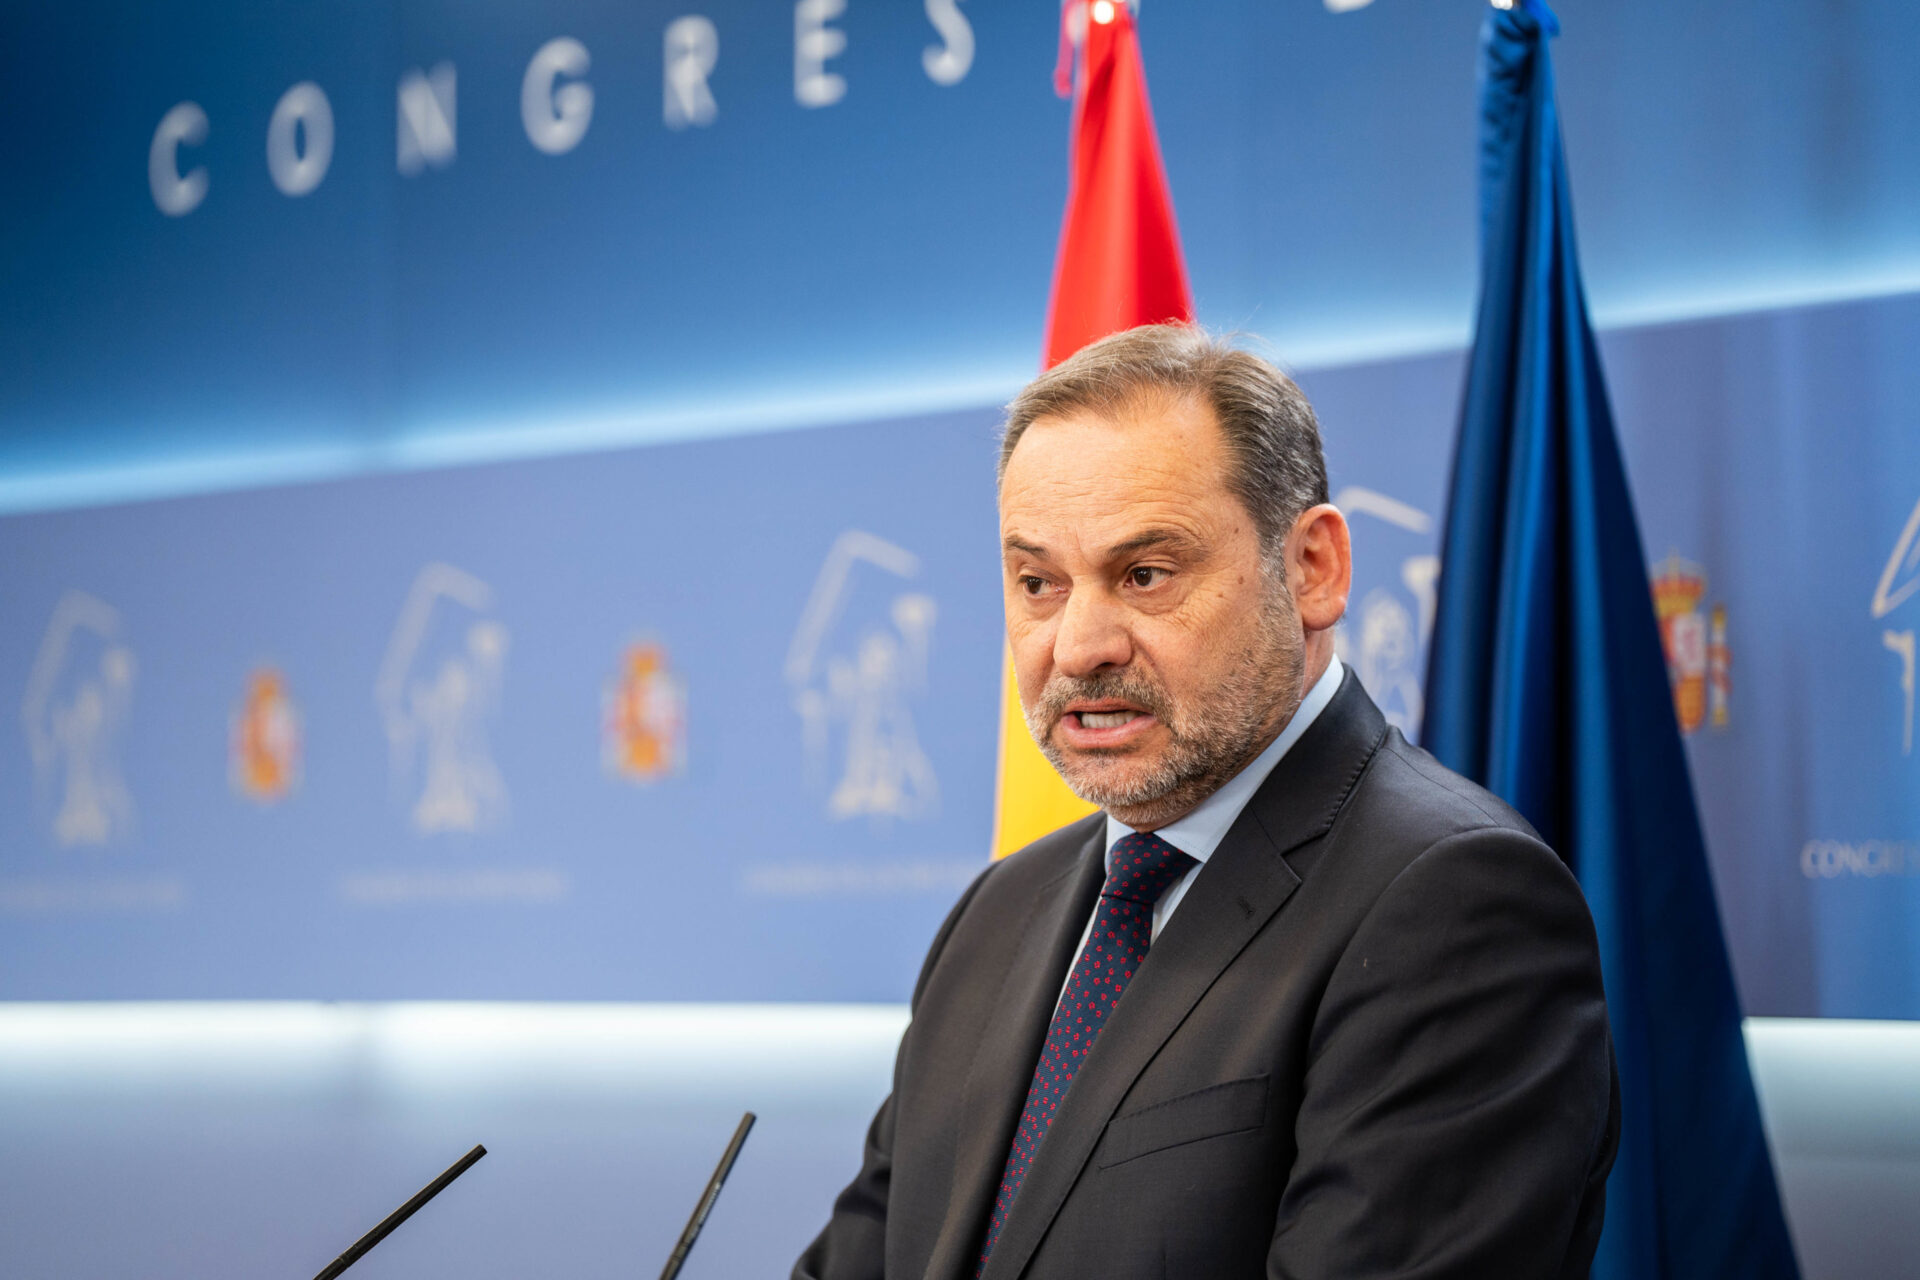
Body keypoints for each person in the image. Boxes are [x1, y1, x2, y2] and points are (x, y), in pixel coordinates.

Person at [794, 324, 1618, 1280]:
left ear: (1312, 568)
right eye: (1039, 583)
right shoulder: (997, 912)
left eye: (1145, 574)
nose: (1079, 646)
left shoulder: (1457, 904)